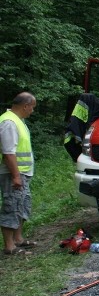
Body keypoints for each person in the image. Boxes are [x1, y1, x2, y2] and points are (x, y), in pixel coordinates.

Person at [1, 92, 37, 255]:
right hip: (12, 174)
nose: (32, 111)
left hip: (21, 174)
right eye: (32, 107)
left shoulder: (18, 121)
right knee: (11, 206)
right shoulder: (9, 122)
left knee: (22, 205)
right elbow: (8, 152)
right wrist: (15, 175)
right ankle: (9, 246)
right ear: (25, 106)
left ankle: (18, 239)